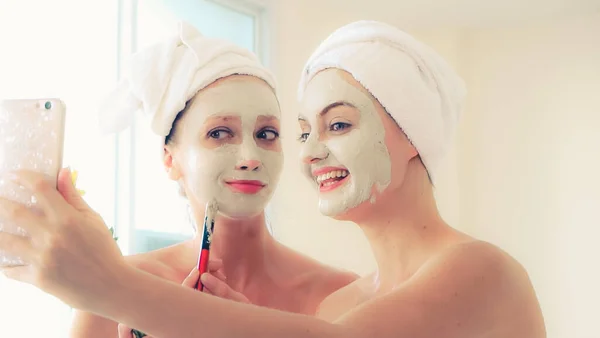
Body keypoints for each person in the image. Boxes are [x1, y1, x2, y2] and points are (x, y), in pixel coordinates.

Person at [0, 20, 546, 338]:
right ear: (169, 157)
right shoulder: (342, 305)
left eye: (338, 124)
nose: (311, 152)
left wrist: (111, 286)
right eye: (304, 131)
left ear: (413, 132)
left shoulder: (483, 271)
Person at [67, 22, 357, 337]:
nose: (250, 158)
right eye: (219, 133)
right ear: (170, 159)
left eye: (266, 134)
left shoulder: (342, 295)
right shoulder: (115, 294)